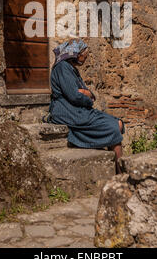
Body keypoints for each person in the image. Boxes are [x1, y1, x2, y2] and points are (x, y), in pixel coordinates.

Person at [44, 38, 125, 173]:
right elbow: (75, 96)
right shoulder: (63, 68)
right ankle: (120, 173)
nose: (85, 59)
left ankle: (119, 171)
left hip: (78, 110)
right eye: (84, 56)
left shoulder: (71, 69)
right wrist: (87, 96)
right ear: (76, 53)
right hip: (68, 112)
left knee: (118, 123)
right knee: (114, 127)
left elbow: (87, 93)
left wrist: (87, 93)